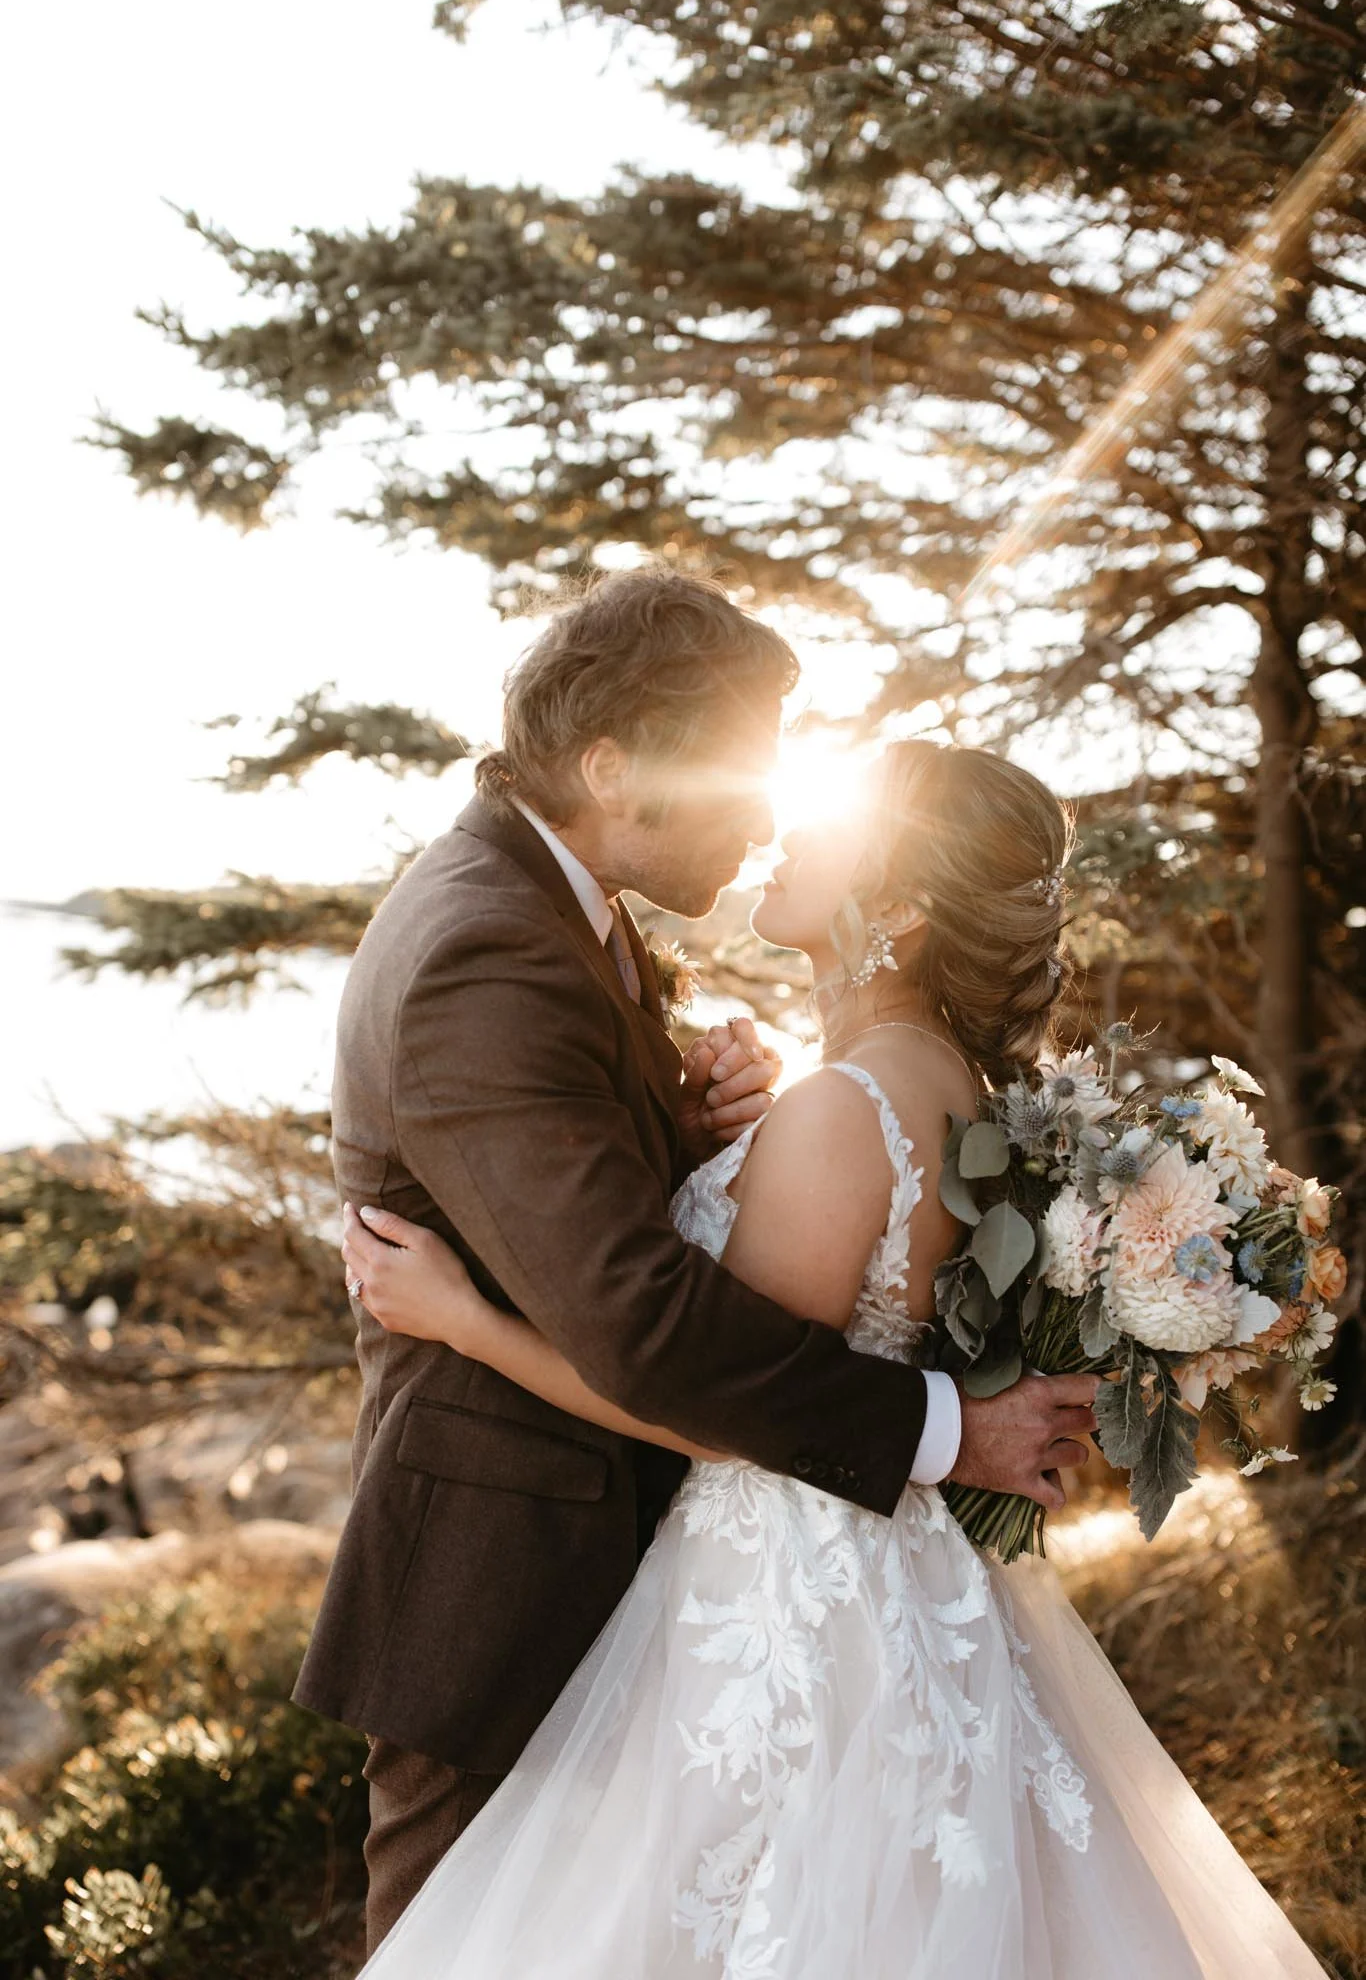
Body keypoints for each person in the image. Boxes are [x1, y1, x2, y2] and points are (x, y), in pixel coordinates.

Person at [341, 736, 1326, 1979]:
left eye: (834, 827)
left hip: (782, 1605)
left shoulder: (843, 1106)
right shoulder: (952, 1090)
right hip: (891, 1577)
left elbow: (709, 1405)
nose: (788, 834)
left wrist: (457, 1314)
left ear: (901, 908)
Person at [293, 569, 1096, 1956]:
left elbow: (590, 1196)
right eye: (737, 781)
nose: (766, 818)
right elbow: (645, 1322)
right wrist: (942, 1430)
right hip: (509, 1586)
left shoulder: (558, 914)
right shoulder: (482, 940)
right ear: (614, 768)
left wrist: (693, 1122)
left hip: (693, 1586)